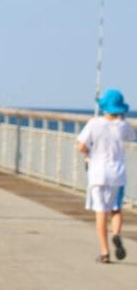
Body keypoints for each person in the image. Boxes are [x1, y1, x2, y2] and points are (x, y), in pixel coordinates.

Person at [77, 89, 135, 264]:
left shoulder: (94, 123)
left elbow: (81, 146)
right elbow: (132, 137)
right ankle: (116, 234)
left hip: (97, 174)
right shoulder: (124, 126)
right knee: (116, 209)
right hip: (117, 174)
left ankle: (104, 253)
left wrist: (89, 155)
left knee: (101, 212)